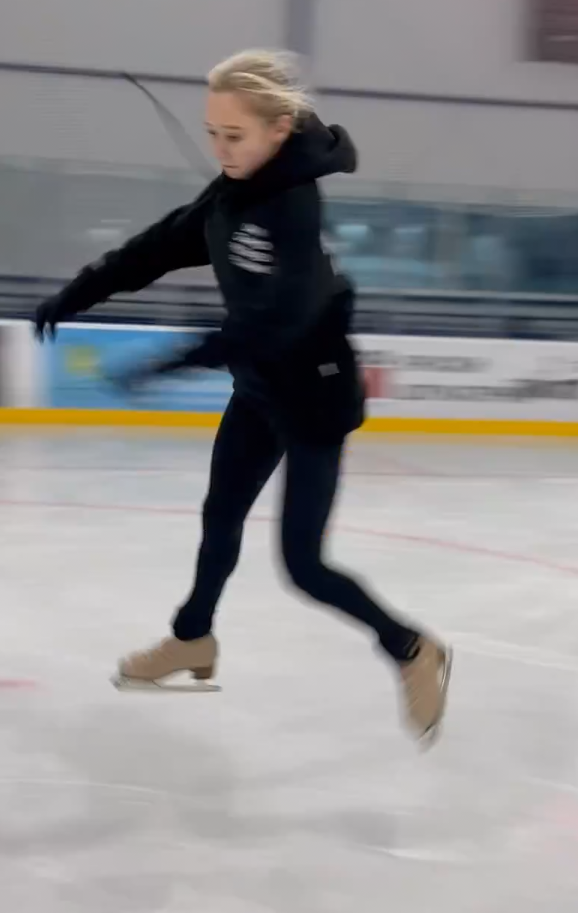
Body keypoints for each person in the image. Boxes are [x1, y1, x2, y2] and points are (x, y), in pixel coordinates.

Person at [34, 49, 452, 746]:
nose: (221, 149)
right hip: (259, 388)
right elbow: (156, 247)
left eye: (235, 135)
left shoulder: (292, 207)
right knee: (219, 517)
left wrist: (172, 361)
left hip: (314, 397)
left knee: (304, 566)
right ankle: (192, 639)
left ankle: (412, 648)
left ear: (279, 129)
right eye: (213, 133)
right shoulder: (233, 192)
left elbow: (275, 320)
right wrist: (76, 293)